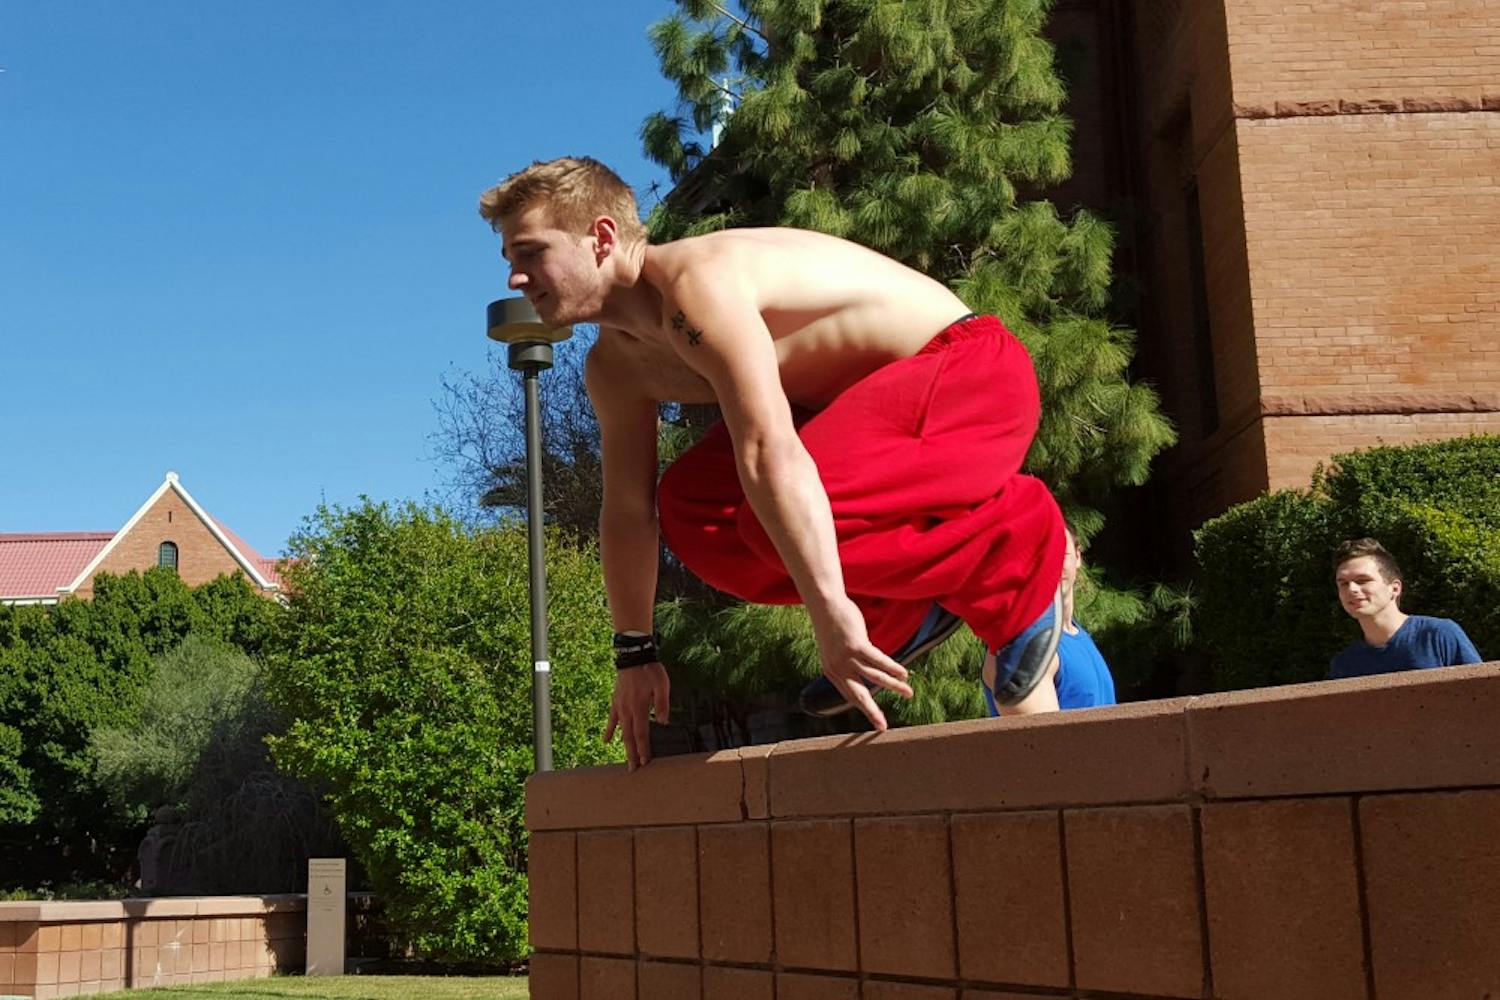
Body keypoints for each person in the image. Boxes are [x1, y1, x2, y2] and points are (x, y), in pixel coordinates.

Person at [479, 157, 1068, 769]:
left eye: (530, 252)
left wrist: (827, 609)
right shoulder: (616, 368)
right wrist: (634, 653)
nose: (517, 278)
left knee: (767, 510)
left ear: (601, 238)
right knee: (695, 510)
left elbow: (769, 449)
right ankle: (905, 607)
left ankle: (1012, 540)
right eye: (509, 262)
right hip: (867, 418)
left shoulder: (696, 285)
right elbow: (628, 512)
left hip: (967, 378)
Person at [982, 520, 1116, 714]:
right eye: (1039, 554)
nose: (1050, 563)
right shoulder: (1019, 648)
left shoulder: (1079, 637)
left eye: (1060, 552)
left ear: (1078, 557)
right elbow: (1040, 741)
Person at [1329, 537, 1481, 679]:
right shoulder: (1345, 664)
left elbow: (1485, 694)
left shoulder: (1437, 636)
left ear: (1394, 588)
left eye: (1363, 580)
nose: (1351, 589)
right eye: (1343, 583)